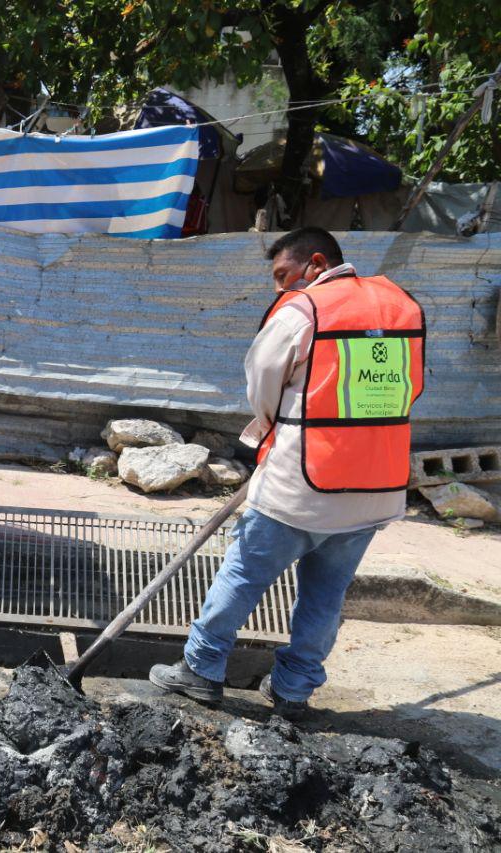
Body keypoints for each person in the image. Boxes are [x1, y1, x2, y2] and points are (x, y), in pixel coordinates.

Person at [150, 227, 425, 719]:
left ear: (315, 263)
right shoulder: (402, 306)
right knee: (325, 593)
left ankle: (201, 668)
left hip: (303, 483)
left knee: (244, 573)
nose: (279, 289)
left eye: (283, 275)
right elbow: (411, 389)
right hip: (375, 489)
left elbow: (262, 380)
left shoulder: (305, 310)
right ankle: (295, 689)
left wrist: (278, 427)